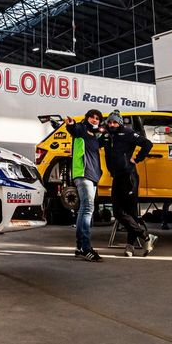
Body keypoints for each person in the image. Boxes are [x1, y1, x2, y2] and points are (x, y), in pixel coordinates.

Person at [101, 112, 158, 257]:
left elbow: (147, 144)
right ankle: (146, 236)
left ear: (120, 123)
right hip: (117, 177)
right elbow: (93, 142)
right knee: (117, 212)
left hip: (129, 177)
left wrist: (137, 159)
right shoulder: (107, 135)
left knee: (131, 212)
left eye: (115, 122)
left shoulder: (128, 133)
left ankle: (130, 246)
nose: (112, 125)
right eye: (110, 122)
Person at [65, 109, 104, 261]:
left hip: (92, 175)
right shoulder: (81, 129)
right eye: (92, 117)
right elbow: (74, 128)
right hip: (83, 173)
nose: (94, 120)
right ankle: (86, 247)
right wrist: (71, 124)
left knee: (85, 209)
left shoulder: (94, 136)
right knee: (87, 208)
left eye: (97, 118)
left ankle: (80, 246)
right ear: (86, 118)